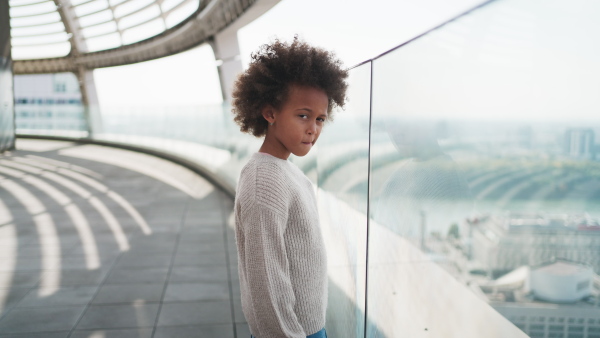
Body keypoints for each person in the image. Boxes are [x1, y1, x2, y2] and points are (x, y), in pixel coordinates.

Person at [231, 36, 348, 338]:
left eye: (321, 118)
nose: (313, 128)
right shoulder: (264, 179)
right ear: (269, 113)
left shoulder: (283, 170)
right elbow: (265, 282)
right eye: (303, 115)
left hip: (307, 328)